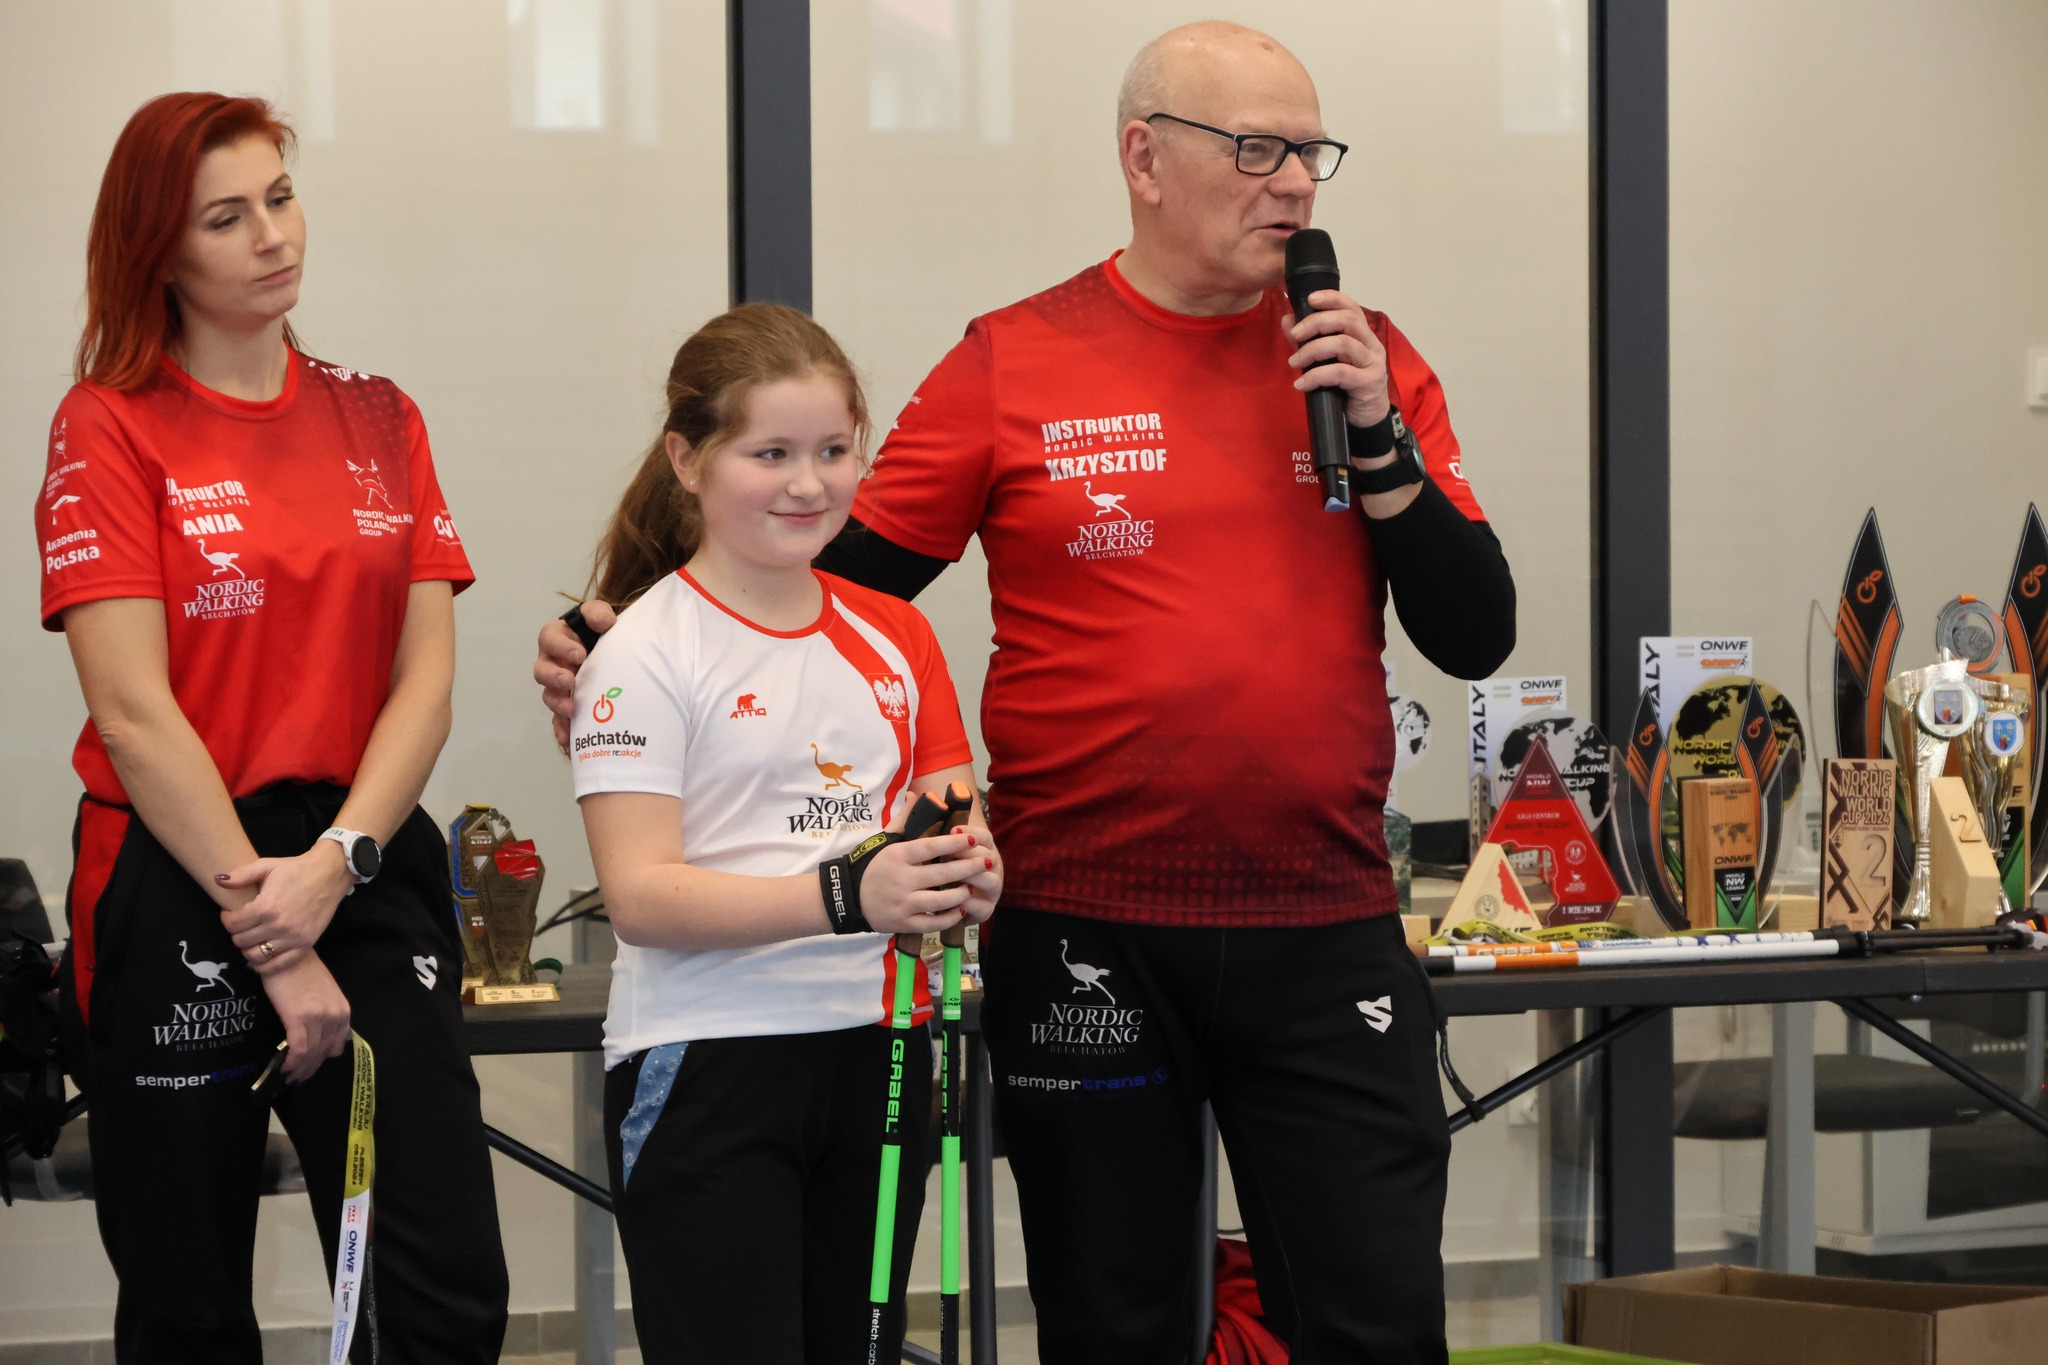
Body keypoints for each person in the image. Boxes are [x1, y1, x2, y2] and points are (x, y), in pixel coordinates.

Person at [538, 22, 1515, 1364]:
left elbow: (1475, 634)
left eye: (1310, 152)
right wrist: (630, 643)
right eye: (1256, 150)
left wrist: (1381, 439)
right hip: (1084, 925)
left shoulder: (1364, 363)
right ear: (1144, 159)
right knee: (1111, 1322)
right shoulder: (1016, 359)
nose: (1294, 183)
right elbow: (816, 577)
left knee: (1375, 1318)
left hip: (1321, 915)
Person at [37, 93, 507, 1362]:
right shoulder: (109, 423)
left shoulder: (379, 414)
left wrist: (339, 865)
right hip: (182, 861)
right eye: (226, 217)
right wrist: (276, 933)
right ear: (159, 252)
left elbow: (424, 683)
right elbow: (134, 713)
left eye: (281, 198)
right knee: (187, 1298)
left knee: (444, 1279)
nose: (271, 236)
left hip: (360, 850)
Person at [566, 303, 1004, 1364]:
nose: (809, 484)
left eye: (833, 451)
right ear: (688, 459)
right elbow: (640, 895)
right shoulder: (643, 650)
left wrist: (966, 873)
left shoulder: (895, 630)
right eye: (770, 454)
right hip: (707, 1058)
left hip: (877, 1051)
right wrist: (849, 894)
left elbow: (954, 816)